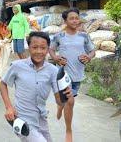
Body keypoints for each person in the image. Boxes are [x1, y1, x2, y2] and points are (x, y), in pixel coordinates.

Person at [0, 31, 73, 142]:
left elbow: (59, 102)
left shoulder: (53, 71)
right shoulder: (17, 66)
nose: (39, 51)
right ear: (28, 47)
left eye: (43, 48)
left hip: (41, 119)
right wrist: (9, 107)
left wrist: (66, 97)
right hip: (22, 120)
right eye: (35, 47)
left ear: (48, 49)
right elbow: (3, 83)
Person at [49, 8, 95, 142]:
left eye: (77, 18)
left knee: (66, 101)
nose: (75, 20)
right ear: (65, 21)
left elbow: (92, 51)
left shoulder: (84, 36)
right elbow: (51, 49)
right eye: (71, 18)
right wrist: (56, 58)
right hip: (63, 75)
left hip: (78, 75)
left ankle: (60, 106)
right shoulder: (59, 36)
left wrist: (88, 57)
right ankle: (68, 131)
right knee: (71, 101)